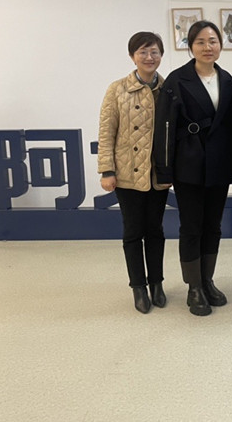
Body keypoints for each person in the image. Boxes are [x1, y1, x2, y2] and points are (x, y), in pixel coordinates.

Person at [153, 21, 232, 317]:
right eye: (201, 42)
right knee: (191, 226)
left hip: (219, 163)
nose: (208, 47)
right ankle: (193, 287)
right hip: (188, 163)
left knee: (213, 226)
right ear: (190, 46)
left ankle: (207, 280)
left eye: (213, 41)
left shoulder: (228, 80)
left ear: (221, 45)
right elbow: (164, 127)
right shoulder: (177, 80)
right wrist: (164, 170)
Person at [98, 32, 169, 314]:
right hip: (127, 172)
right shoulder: (117, 89)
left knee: (156, 231)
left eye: (154, 52)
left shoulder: (168, 88)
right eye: (143, 52)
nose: (149, 57)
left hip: (157, 174)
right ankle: (138, 286)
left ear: (161, 55)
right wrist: (107, 170)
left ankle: (157, 283)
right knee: (132, 231)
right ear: (132, 56)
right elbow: (106, 132)